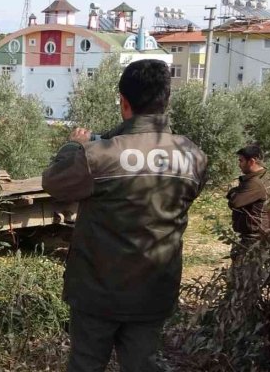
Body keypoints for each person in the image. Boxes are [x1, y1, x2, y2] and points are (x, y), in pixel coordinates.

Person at [42, 59, 208, 372]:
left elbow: (54, 183)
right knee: (142, 364)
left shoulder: (97, 156)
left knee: (86, 365)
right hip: (154, 291)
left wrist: (74, 146)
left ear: (124, 101)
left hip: (97, 294)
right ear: (166, 100)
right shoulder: (193, 156)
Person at [226, 145, 270, 260]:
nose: (239, 164)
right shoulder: (264, 177)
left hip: (254, 239)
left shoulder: (255, 183)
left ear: (252, 161)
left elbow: (234, 202)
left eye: (241, 161)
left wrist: (233, 192)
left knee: (246, 274)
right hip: (259, 237)